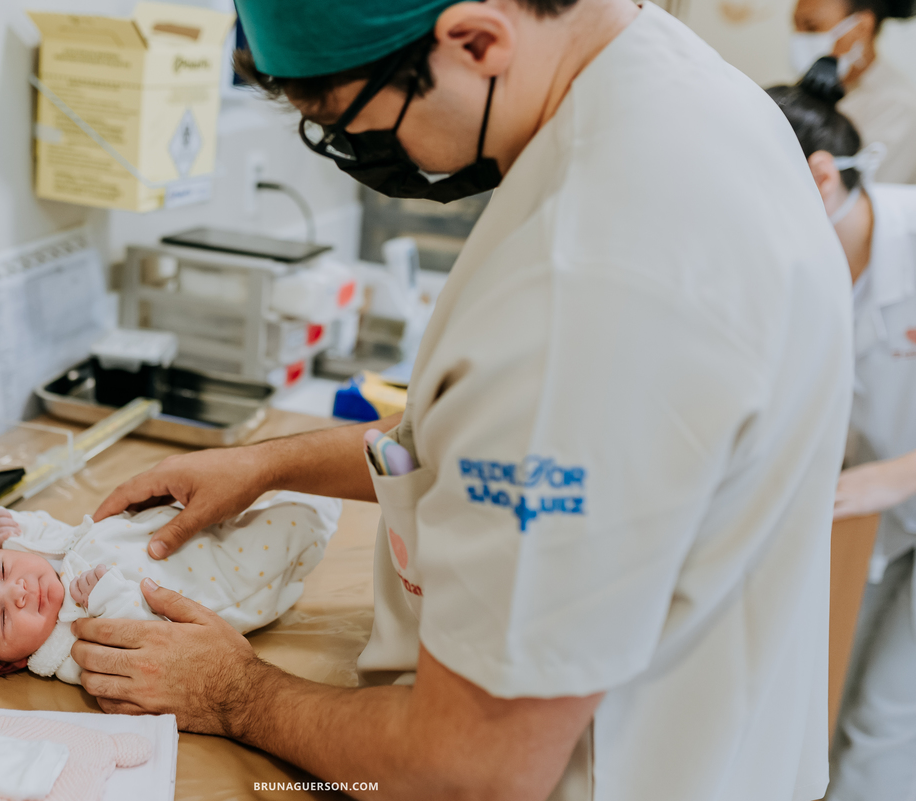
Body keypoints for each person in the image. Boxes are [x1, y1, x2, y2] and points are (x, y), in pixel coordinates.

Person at [69, 1, 853, 798]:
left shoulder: (588, 282)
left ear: (477, 40)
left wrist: (236, 694)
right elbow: (493, 441)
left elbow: (468, 769)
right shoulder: (681, 90)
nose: (367, 155)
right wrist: (269, 464)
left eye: (351, 123)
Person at [770, 61, 916, 801]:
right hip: (867, 521)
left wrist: (882, 479)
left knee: (882, 732)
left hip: (884, 494)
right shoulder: (795, 266)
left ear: (821, 179)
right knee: (821, 703)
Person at [0, 494, 338, 683]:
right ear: (9, 665)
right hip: (220, 579)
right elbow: (146, 649)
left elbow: (59, 534)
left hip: (185, 528)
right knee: (295, 524)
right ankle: (318, 513)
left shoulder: (43, 564)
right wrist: (109, 600)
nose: (17, 590)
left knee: (258, 498)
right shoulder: (67, 649)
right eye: (2, 617)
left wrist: (19, 528)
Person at [791, 0, 916, 183]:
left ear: (862, 27)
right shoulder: (802, 91)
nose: (798, 38)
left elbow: (856, 196)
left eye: (811, 27)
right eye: (795, 26)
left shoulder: (899, 106)